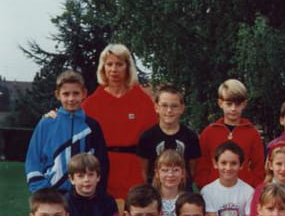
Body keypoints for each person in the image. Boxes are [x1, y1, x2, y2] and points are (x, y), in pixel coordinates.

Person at [82, 44, 158, 200]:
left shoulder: (143, 101)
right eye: (109, 64)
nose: (113, 69)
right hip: (102, 169)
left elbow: (153, 140)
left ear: (128, 67)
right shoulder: (90, 104)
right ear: (103, 68)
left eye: (119, 64)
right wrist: (53, 115)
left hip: (135, 169)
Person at [25, 70, 108, 194]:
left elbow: (102, 163)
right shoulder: (46, 123)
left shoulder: (92, 126)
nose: (71, 99)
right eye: (66, 94)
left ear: (84, 93)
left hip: (83, 195)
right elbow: (33, 159)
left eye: (76, 93)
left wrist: (96, 194)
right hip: (51, 194)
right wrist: (40, 190)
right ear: (58, 94)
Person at [194, 79, 264, 189]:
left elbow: (258, 166)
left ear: (244, 104)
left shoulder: (252, 133)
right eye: (229, 104)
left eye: (238, 104)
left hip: (243, 192)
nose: (233, 108)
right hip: (214, 191)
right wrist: (205, 185)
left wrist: (253, 186)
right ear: (220, 103)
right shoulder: (209, 132)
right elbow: (202, 165)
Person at [137, 85, 201, 190]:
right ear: (156, 108)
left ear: (182, 108)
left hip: (183, 193)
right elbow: (144, 172)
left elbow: (192, 171)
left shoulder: (191, 137)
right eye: (164, 105)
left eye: (174, 106)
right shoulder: (146, 137)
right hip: (156, 192)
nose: (169, 110)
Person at [201, 141, 255, 216]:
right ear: (215, 163)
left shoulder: (249, 191)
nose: (228, 168)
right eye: (223, 163)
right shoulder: (208, 191)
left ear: (241, 165)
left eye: (233, 163)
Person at [153, 149, 187, 216]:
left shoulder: (187, 201)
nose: (170, 174)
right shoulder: (151, 201)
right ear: (157, 173)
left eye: (175, 170)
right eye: (165, 170)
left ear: (183, 173)